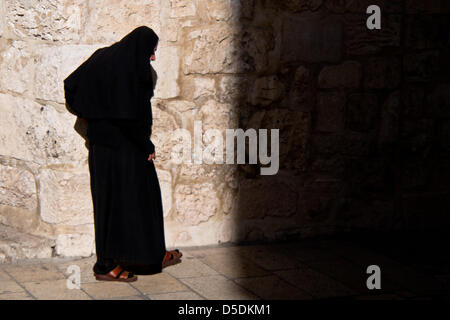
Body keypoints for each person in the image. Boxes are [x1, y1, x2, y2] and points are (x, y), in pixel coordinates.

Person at [63, 26, 182, 282]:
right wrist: (146, 146)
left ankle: (152, 253)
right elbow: (129, 115)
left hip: (106, 147)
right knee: (113, 205)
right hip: (126, 147)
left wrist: (87, 113)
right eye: (151, 51)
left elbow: (71, 85)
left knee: (141, 199)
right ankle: (105, 265)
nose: (152, 58)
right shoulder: (129, 69)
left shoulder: (102, 57)